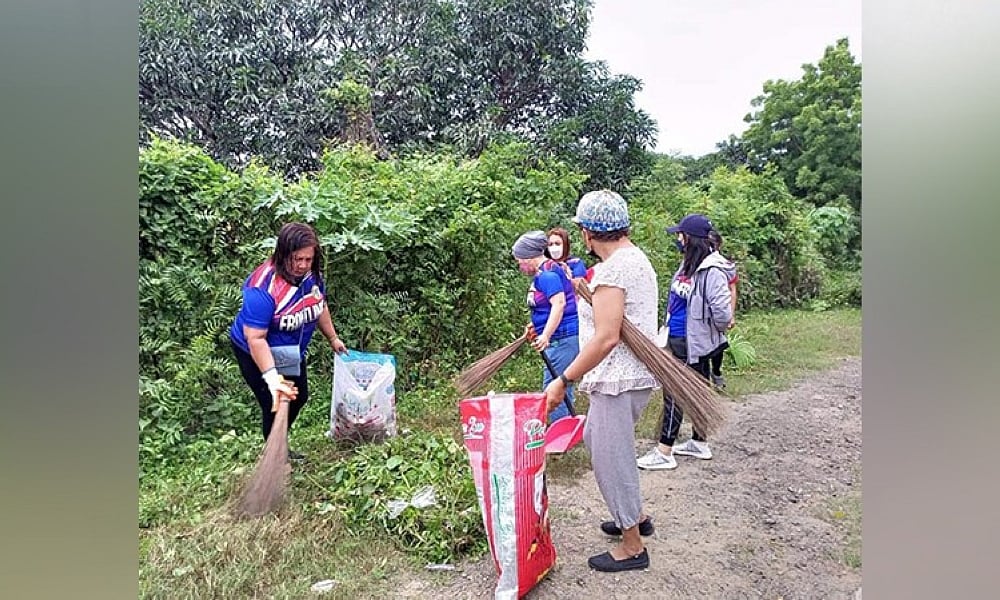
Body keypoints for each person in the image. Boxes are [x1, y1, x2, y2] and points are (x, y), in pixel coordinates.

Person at [542, 190, 659, 573]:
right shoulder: (635, 259)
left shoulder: (613, 270)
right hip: (632, 376)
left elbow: (608, 336)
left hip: (617, 378)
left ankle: (632, 545)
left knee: (612, 458)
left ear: (589, 234)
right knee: (598, 439)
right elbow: (618, 316)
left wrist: (564, 379)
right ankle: (636, 516)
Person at [229, 222, 348, 460]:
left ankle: (279, 442)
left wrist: (333, 338)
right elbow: (255, 338)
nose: (303, 266)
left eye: (308, 259)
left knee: (298, 396)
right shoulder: (262, 289)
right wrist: (273, 379)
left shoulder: (311, 275)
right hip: (255, 352)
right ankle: (275, 454)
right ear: (283, 254)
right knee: (274, 402)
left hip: (289, 350)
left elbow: (319, 304)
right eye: (297, 259)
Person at [637, 214, 733, 471]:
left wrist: (708, 329)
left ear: (689, 238)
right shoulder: (688, 265)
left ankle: (665, 450)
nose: (678, 239)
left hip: (694, 341)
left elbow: (722, 312)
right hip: (678, 336)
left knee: (675, 391)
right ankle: (699, 442)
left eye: (680, 235)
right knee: (696, 390)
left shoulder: (711, 271)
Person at [511, 230, 580, 423]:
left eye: (519, 261)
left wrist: (546, 335)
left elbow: (559, 304)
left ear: (529, 257)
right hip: (557, 339)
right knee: (557, 385)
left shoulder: (548, 275)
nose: (519, 265)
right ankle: (565, 430)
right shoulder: (545, 273)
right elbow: (546, 307)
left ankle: (561, 437)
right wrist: (535, 325)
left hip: (562, 338)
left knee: (554, 388)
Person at [706, 229, 739, 389]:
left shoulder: (724, 266)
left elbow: (732, 290)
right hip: (703, 311)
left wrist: (730, 314)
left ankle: (717, 372)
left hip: (719, 309)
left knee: (718, 344)